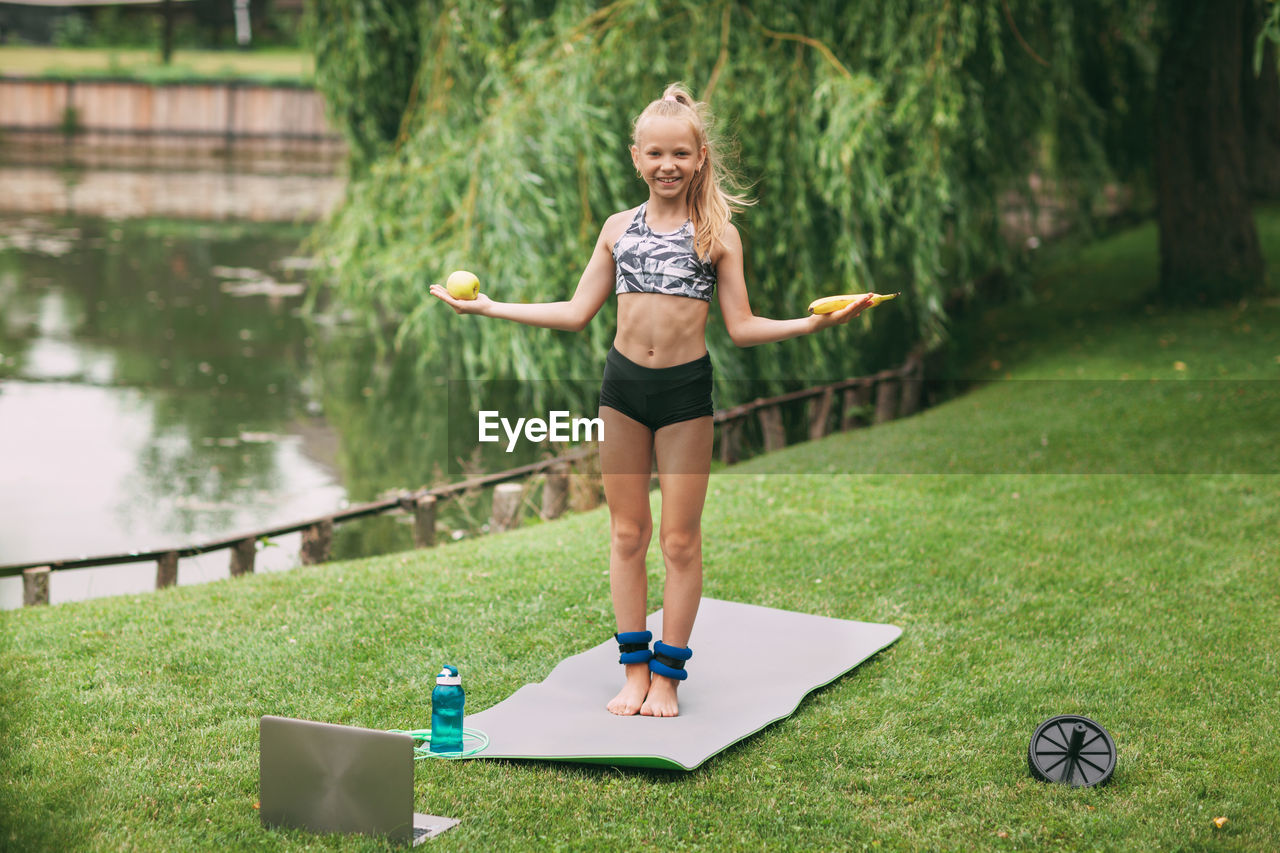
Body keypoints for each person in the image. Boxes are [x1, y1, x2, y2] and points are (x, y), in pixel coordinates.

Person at [431, 83, 871, 717]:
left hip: (685, 396)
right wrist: (489, 306)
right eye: (655, 154)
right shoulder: (618, 231)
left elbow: (742, 327)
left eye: (681, 155)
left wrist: (810, 324)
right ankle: (633, 670)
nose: (668, 165)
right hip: (623, 391)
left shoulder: (717, 235)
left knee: (680, 542)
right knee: (626, 534)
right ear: (636, 157)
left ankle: (668, 676)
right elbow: (578, 312)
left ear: (699, 160)